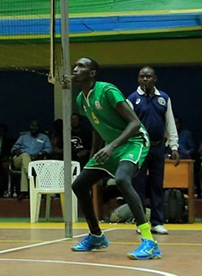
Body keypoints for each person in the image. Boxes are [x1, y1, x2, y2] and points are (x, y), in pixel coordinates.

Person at [70, 57, 160, 259]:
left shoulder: (108, 91)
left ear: (92, 73)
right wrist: (94, 155)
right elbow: (97, 126)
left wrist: (111, 146)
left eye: (81, 66)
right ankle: (96, 236)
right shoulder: (80, 99)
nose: (75, 69)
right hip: (111, 146)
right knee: (79, 185)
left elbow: (135, 123)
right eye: (74, 66)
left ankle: (149, 242)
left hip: (134, 141)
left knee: (121, 179)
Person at [128, 67, 180, 235]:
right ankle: (141, 222)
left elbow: (169, 123)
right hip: (139, 147)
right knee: (139, 186)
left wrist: (174, 146)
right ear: (138, 79)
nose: (145, 79)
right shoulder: (132, 99)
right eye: (142, 77)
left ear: (155, 79)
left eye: (148, 77)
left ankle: (157, 222)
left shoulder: (164, 98)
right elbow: (127, 125)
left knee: (157, 185)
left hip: (158, 147)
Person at [11, 120, 53, 200]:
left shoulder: (44, 137)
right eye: (32, 126)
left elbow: (49, 149)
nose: (34, 128)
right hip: (19, 159)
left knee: (25, 166)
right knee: (25, 156)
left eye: (36, 126)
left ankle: (24, 191)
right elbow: (13, 149)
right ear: (29, 127)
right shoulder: (23, 137)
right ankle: (30, 172)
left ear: (39, 128)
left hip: (36, 160)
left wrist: (40, 154)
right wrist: (17, 151)